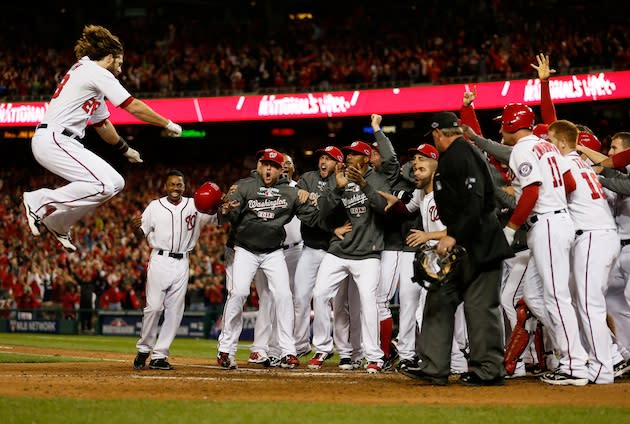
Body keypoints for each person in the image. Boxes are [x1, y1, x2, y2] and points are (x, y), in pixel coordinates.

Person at [22, 25, 182, 252]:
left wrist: (125, 149)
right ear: (109, 57)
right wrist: (166, 123)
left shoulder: (88, 76)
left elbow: (103, 124)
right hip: (54, 139)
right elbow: (133, 106)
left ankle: (59, 222)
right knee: (103, 184)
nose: (121, 67)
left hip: (60, 140)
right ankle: (39, 201)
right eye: (119, 62)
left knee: (115, 183)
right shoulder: (96, 72)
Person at [402, 111, 512, 386]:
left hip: (481, 243)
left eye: (434, 137)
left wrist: (453, 235)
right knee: (439, 298)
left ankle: (488, 371)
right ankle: (434, 367)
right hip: (466, 244)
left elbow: (475, 200)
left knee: (480, 308)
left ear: (439, 134)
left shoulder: (461, 154)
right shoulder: (460, 153)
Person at [498, 103, 591, 386]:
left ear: (513, 125)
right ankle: (574, 353)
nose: (501, 128)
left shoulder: (522, 149)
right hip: (555, 222)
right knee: (535, 296)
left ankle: (575, 366)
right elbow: (570, 183)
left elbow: (531, 190)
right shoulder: (546, 146)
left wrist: (511, 227)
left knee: (556, 297)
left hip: (548, 224)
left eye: (503, 123)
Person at [217, 148, 319, 369]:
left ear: (281, 170)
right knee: (239, 293)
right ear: (260, 165)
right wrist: (226, 210)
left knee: (283, 295)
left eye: (273, 166)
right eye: (265, 164)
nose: (268, 169)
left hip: (273, 252)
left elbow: (313, 217)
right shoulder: (244, 186)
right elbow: (226, 214)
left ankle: (288, 351)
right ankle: (225, 349)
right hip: (245, 249)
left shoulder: (291, 192)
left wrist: (312, 200)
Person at [307, 140, 391, 373]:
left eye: (354, 154)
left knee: (368, 302)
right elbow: (322, 213)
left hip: (367, 253)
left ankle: (374, 355)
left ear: (365, 158)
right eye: (348, 154)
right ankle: (323, 347)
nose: (349, 157)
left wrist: (364, 185)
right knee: (320, 293)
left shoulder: (377, 179)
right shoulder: (339, 178)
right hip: (339, 250)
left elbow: (384, 208)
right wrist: (337, 188)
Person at [132, 170, 217, 370]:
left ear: (184, 187)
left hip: (182, 262)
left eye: (179, 184)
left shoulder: (195, 205)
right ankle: (144, 348)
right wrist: (134, 228)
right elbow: (141, 233)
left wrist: (219, 205)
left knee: (175, 311)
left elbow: (216, 218)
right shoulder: (154, 206)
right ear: (165, 186)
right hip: (160, 259)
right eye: (172, 184)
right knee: (153, 307)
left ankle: (160, 355)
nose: (176, 188)